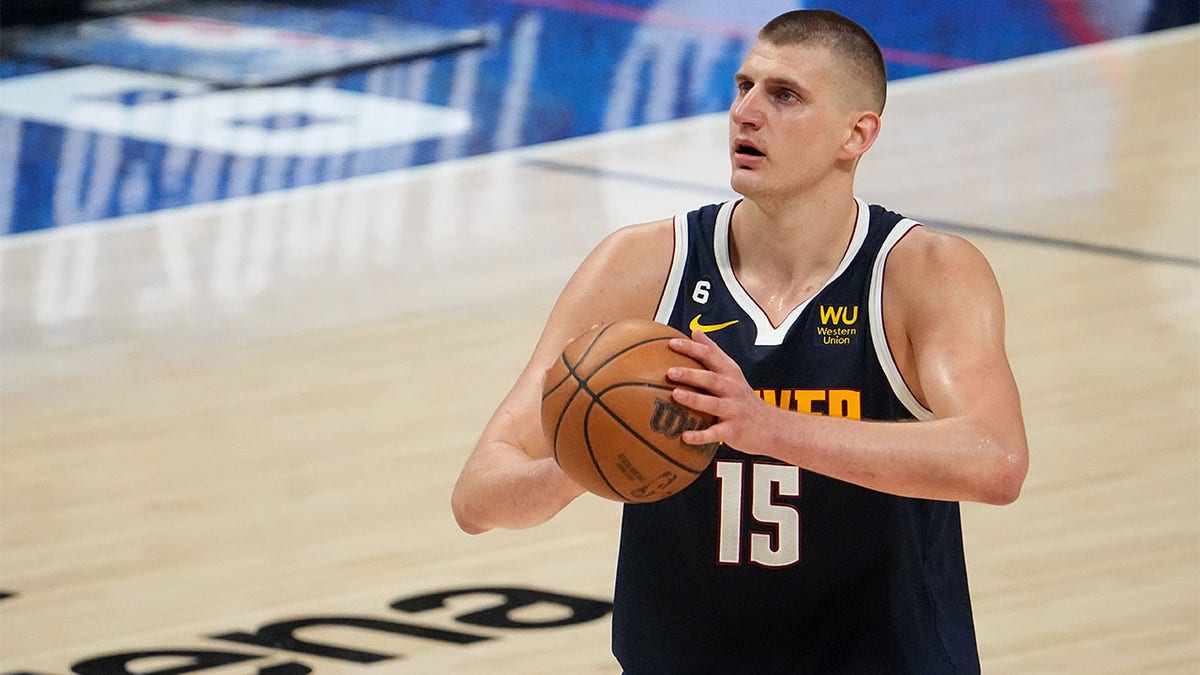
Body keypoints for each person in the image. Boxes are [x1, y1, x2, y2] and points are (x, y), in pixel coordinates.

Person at [452, 9, 1028, 673]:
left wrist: (765, 427)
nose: (746, 113)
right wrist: (591, 458)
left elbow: (996, 459)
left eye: (784, 96)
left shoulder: (922, 273)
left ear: (857, 134)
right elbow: (477, 496)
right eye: (742, 86)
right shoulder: (643, 267)